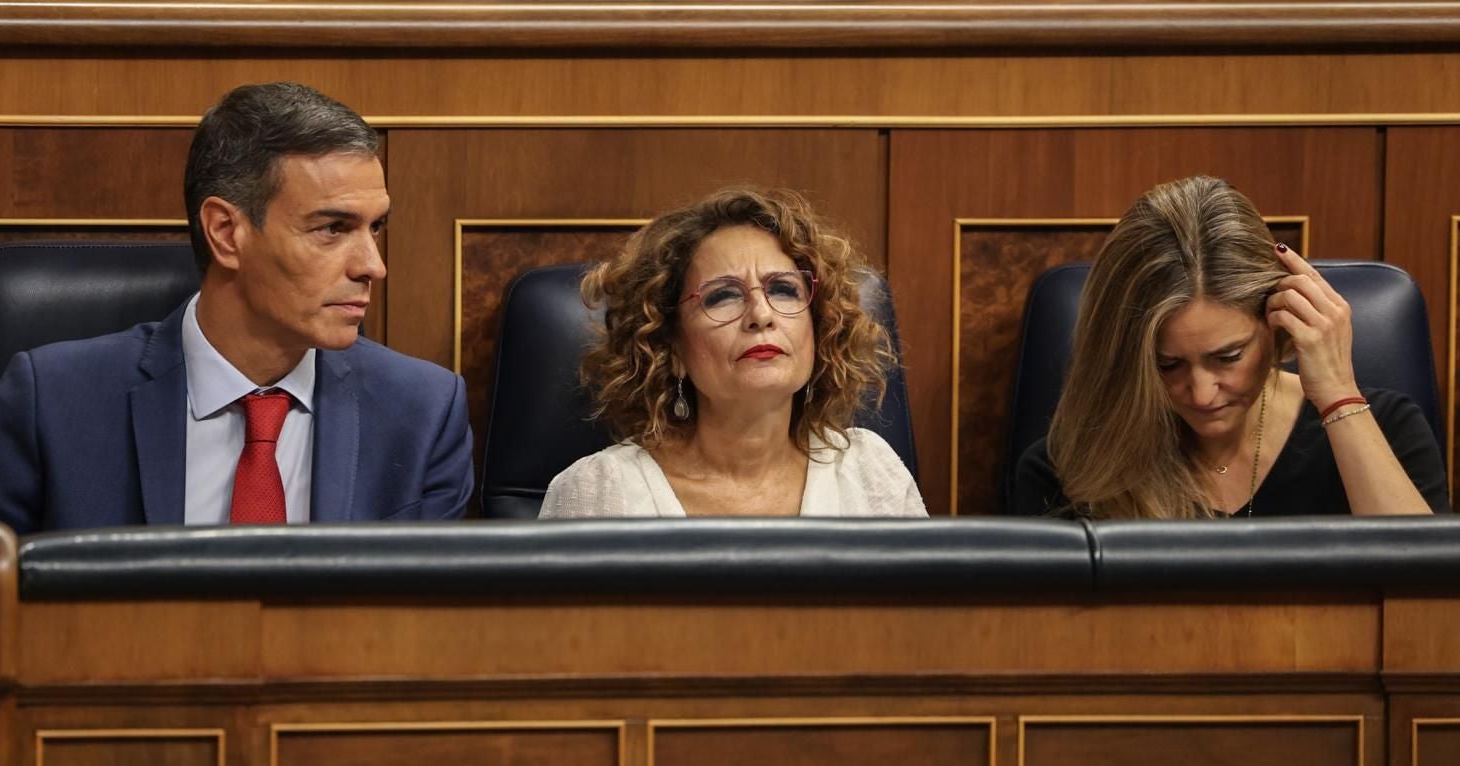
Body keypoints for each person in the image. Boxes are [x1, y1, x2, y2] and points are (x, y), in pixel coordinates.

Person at [0, 82, 475, 761]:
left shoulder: (421, 413)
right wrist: (15, 751)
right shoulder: (55, 402)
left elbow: (436, 671)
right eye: (333, 229)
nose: (373, 265)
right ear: (226, 231)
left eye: (374, 227)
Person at [1011, 175, 1448, 519]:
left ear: (1278, 323)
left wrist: (1338, 396)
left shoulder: (1389, 428)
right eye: (1167, 365)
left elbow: (1424, 604)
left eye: (1228, 357)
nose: (1201, 393)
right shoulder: (1067, 470)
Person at [538, 186, 926, 518]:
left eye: (783, 289)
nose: (761, 314)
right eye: (723, 296)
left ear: (819, 328)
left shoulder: (870, 473)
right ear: (669, 345)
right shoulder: (598, 494)